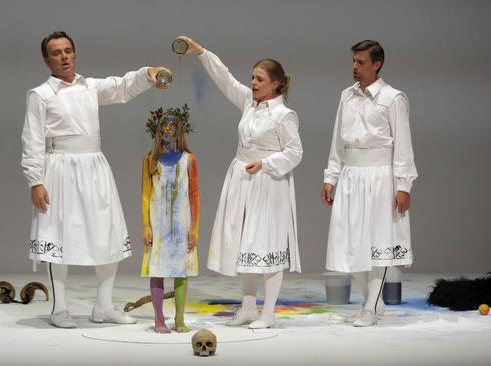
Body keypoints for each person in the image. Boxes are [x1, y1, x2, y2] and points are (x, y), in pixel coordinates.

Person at [21, 31, 171, 328]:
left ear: (74, 54)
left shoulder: (89, 87)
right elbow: (32, 140)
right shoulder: (41, 95)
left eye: (68, 50)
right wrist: (35, 181)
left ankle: (104, 305)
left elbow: (121, 87)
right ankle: (59, 308)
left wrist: (148, 74)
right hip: (59, 169)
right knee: (57, 236)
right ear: (46, 60)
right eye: (56, 52)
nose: (64, 56)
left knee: (107, 233)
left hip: (94, 167)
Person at [178, 36, 302, 329]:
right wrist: (202, 53)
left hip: (268, 184)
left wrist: (266, 164)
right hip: (242, 179)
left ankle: (268, 312)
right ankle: (248, 307)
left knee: (267, 245)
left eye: (260, 79)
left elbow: (295, 152)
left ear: (275, 84)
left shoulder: (284, 115)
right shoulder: (249, 102)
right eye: (253, 78)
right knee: (247, 243)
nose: (254, 83)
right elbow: (225, 79)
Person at [321, 40, 418, 327]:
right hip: (351, 174)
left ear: (377, 64)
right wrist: (331, 177)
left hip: (379, 177)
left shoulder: (393, 98)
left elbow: (403, 145)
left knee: (379, 242)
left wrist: (404, 185)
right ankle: (372, 303)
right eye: (353, 61)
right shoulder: (346, 96)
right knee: (355, 243)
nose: (354, 66)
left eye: (361, 62)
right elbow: (338, 140)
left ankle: (371, 305)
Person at [140, 107, 199, 333]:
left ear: (180, 131)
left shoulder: (189, 160)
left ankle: (180, 318)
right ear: (157, 130)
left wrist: (194, 228)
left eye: (173, 126)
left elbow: (194, 196)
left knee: (181, 271)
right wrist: (146, 225)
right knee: (157, 270)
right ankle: (158, 318)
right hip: (158, 225)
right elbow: (146, 195)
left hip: (181, 225)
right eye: (164, 126)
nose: (168, 130)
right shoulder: (150, 161)